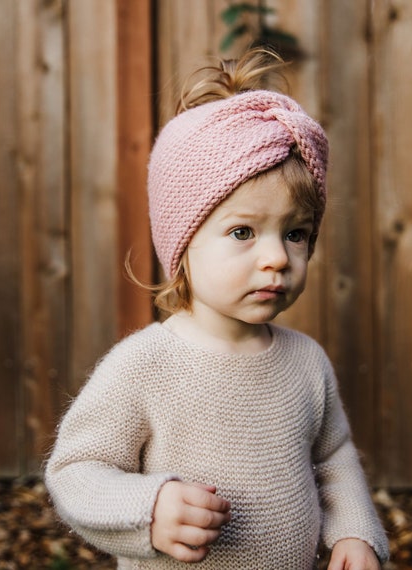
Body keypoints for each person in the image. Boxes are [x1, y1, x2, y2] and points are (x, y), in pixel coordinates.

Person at [45, 49, 389, 569]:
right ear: (182, 246)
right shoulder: (145, 365)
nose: (277, 257)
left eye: (296, 234)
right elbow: (76, 469)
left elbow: (333, 460)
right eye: (243, 232)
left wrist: (353, 533)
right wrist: (148, 508)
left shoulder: (306, 362)